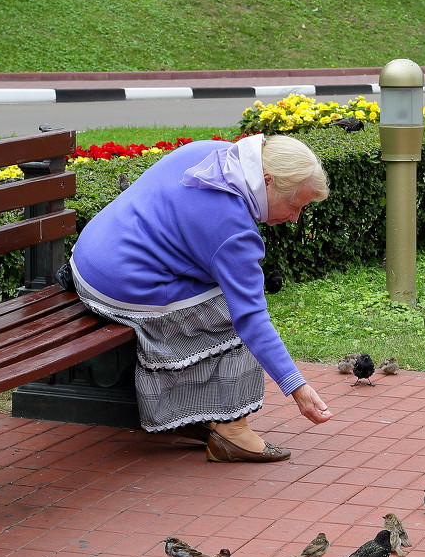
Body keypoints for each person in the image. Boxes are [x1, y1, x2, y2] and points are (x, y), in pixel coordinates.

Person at [69, 134, 333, 463]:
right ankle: (230, 430)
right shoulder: (234, 231)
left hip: (89, 255)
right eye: (295, 205)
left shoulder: (212, 152)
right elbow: (251, 319)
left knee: (223, 294)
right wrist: (297, 387)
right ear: (268, 181)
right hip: (117, 286)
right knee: (226, 315)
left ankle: (203, 414)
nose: (294, 217)